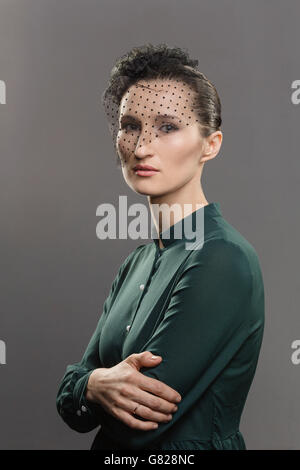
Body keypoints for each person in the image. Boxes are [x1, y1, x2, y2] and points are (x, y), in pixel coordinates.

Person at [56, 43, 265, 450]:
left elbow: (139, 417)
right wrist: (95, 383)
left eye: (168, 127)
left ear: (211, 144)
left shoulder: (221, 258)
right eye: (130, 125)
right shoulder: (136, 262)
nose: (140, 146)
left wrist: (88, 386)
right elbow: (73, 398)